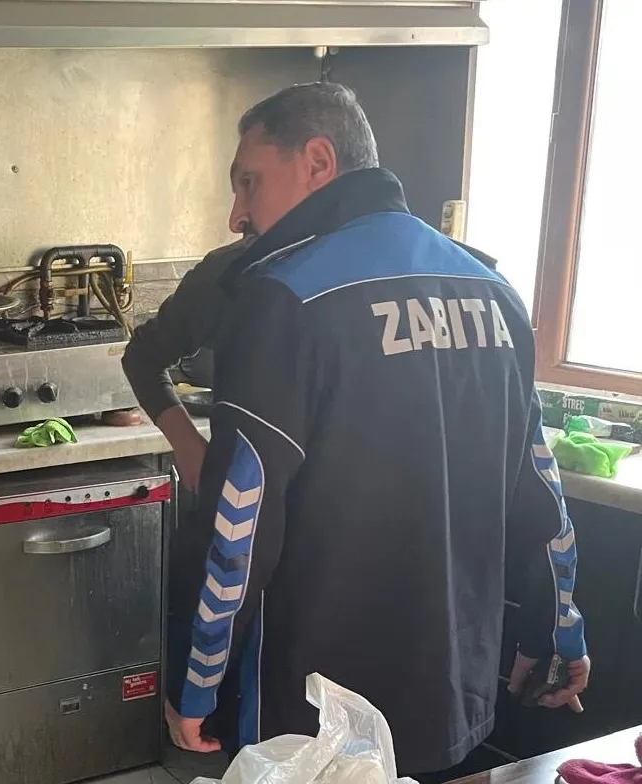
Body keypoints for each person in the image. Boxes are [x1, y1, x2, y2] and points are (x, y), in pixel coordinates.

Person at [162, 81, 592, 780]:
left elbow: (239, 522)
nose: (238, 212)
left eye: (249, 182)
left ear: (317, 162)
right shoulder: (494, 293)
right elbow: (540, 494)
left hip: (315, 714)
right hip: (450, 691)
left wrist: (197, 682)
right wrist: (557, 632)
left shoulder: (282, 300)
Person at [121, 237, 247, 491]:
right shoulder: (228, 270)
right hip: (239, 483)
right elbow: (143, 356)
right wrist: (187, 445)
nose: (234, 222)